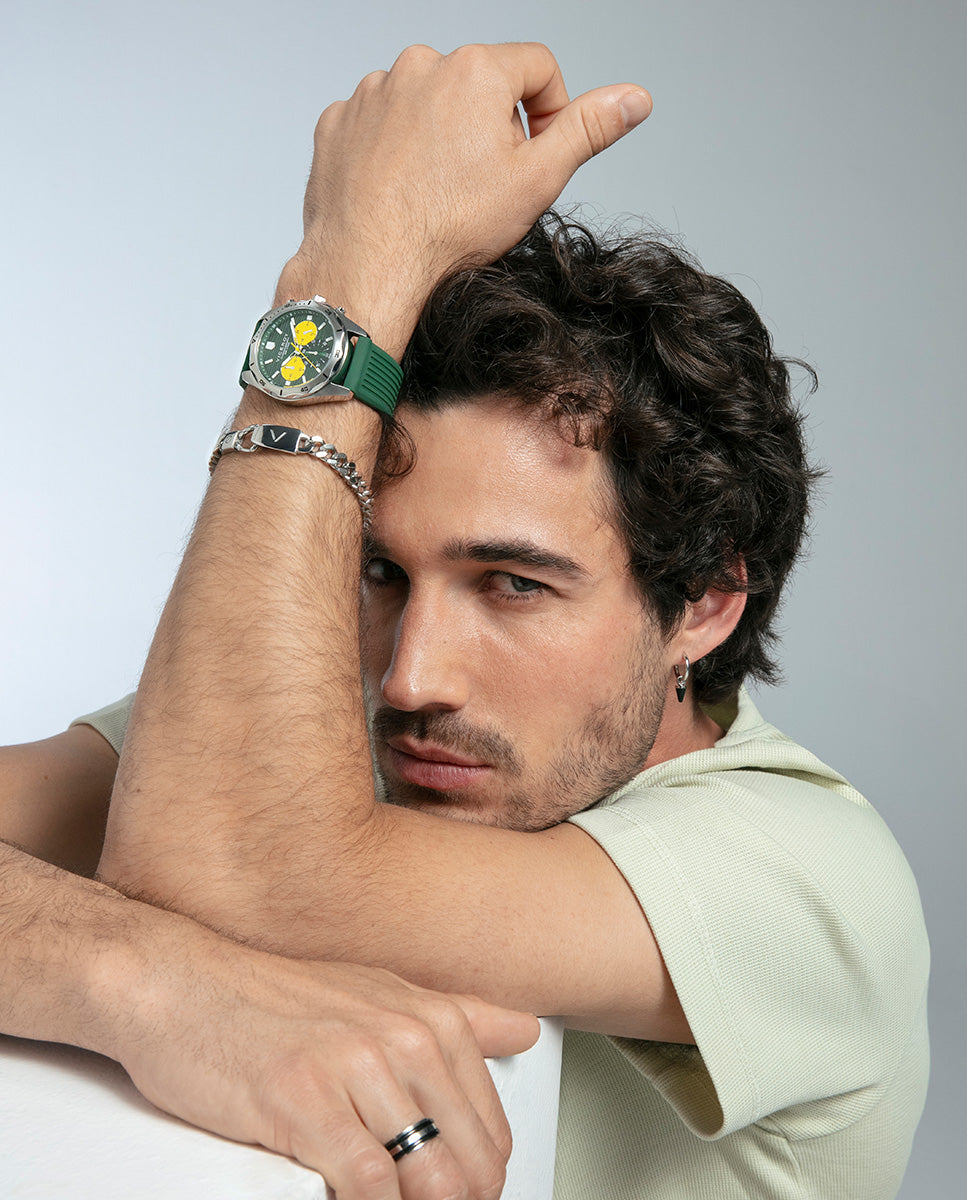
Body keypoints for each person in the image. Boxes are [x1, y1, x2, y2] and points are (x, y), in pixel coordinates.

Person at [0, 42, 928, 1200]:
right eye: (378, 572)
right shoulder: (307, 721)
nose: (408, 680)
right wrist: (125, 971)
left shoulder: (805, 874)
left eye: (513, 585)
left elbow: (234, 868)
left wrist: (352, 261)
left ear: (702, 603)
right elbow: (225, 849)